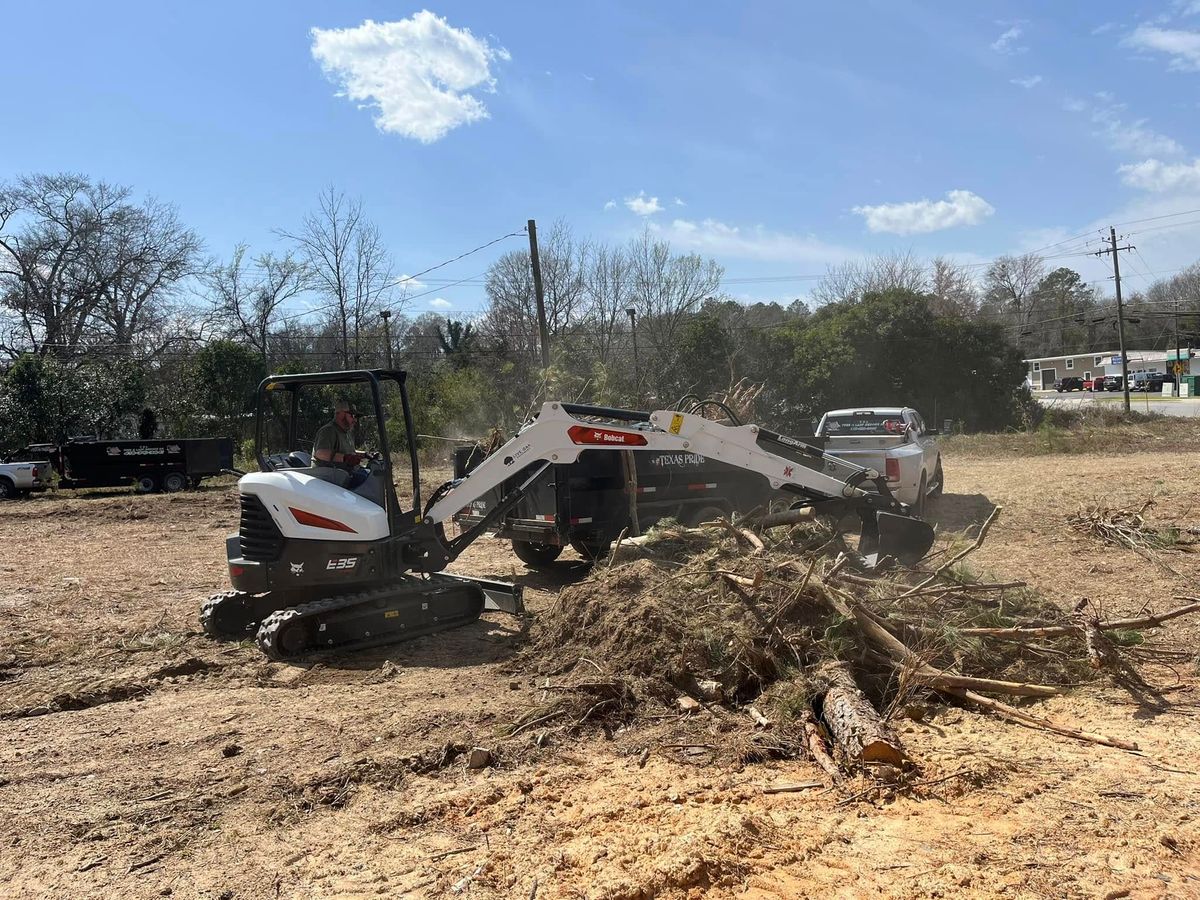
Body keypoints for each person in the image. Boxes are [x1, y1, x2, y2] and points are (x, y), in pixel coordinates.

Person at [312, 398, 370, 491]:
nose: (355, 420)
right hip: (330, 477)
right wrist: (346, 458)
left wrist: (366, 455)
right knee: (365, 481)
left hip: (344, 474)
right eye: (352, 415)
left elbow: (350, 453)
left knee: (371, 475)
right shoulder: (328, 430)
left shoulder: (346, 432)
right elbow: (321, 453)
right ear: (341, 414)